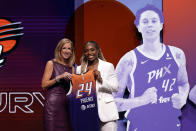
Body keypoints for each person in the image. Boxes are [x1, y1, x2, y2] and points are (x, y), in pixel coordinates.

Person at [114, 5, 190, 131]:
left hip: (171, 124)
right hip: (140, 126)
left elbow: (183, 83)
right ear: (138, 27)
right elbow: (112, 102)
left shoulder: (177, 54)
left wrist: (182, 97)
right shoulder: (128, 60)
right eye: (145, 21)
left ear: (161, 25)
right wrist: (141, 100)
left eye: (154, 21)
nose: (150, 25)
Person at [76, 41, 119, 131]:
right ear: (84, 53)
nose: (89, 53)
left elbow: (116, 87)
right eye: (86, 51)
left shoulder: (108, 66)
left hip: (107, 113)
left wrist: (101, 79)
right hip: (88, 113)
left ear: (98, 51)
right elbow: (78, 92)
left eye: (92, 50)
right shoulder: (79, 69)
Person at [41, 38, 75, 131]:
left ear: (72, 52)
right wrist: (59, 77)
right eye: (64, 48)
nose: (67, 51)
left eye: (69, 49)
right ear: (59, 50)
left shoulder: (72, 68)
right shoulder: (51, 63)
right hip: (52, 107)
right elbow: (44, 85)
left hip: (66, 107)